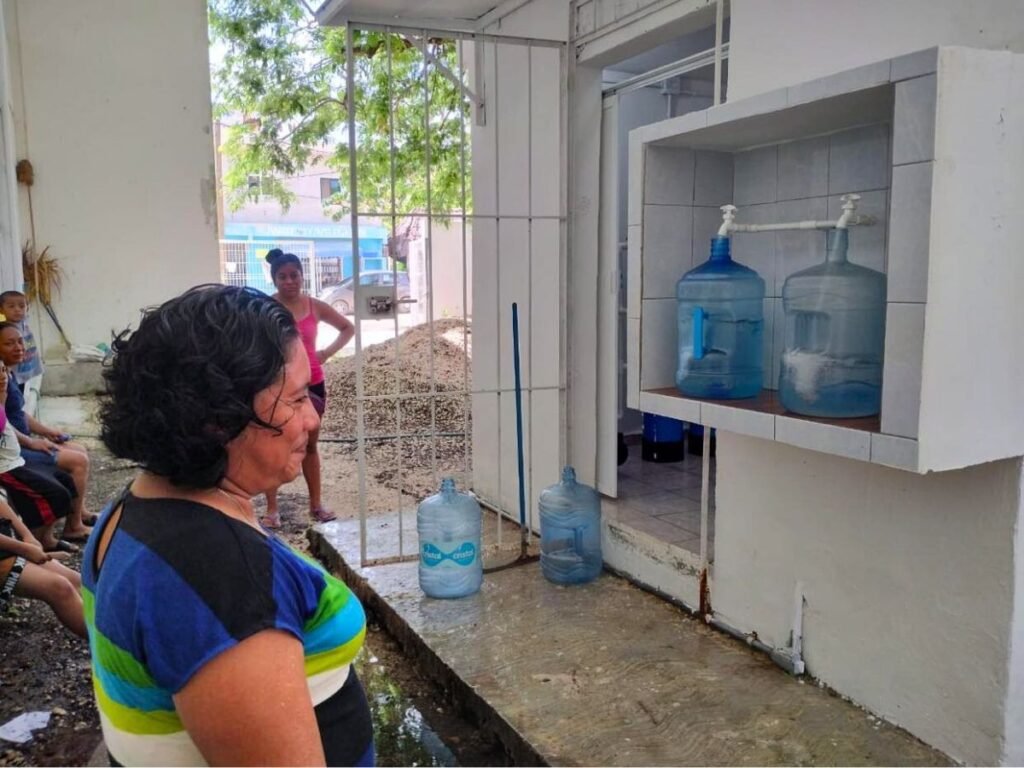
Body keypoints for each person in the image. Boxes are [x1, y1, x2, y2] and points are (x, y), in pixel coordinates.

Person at [85, 285, 373, 767]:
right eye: (298, 398)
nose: (312, 418)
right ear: (220, 419)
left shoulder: (138, 503)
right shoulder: (223, 575)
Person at [263, 248, 355, 527]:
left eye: (294, 275)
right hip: (278, 387)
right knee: (274, 445)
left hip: (313, 385)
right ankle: (271, 511)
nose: (289, 281)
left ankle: (316, 504)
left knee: (310, 446)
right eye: (283, 277)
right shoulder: (265, 308)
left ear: (302, 277)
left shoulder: (315, 306)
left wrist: (325, 354)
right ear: (275, 280)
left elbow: (347, 328)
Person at [0, 322, 93, 539]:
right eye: (9, 343)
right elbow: (3, 422)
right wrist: (31, 442)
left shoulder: (8, 374)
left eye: (20, 341)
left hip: (21, 441)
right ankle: (73, 526)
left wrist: (47, 431)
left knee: (78, 448)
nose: (18, 347)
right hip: (12, 451)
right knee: (77, 461)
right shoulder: (1, 378)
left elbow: (19, 414)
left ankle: (80, 513)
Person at [0, 365, 77, 554]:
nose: (2, 377)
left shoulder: (5, 393)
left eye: (3, 371)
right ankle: (35, 545)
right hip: (5, 467)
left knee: (66, 480)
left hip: (16, 459)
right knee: (56, 495)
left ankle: (46, 539)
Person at [0, 493, 86, 638]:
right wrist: (24, 549)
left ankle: (122, 635)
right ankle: (110, 648)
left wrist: (28, 537)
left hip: (8, 541)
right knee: (59, 587)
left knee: (79, 582)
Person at [0, 291, 43, 387]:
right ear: (1, 310)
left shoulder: (23, 322)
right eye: (11, 306)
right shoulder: (5, 330)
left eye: (22, 306)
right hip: (12, 371)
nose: (17, 310)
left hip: (25, 366)